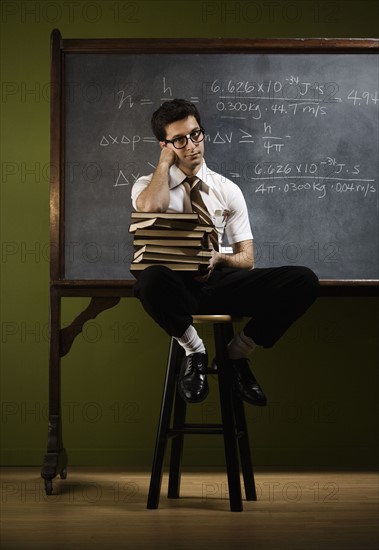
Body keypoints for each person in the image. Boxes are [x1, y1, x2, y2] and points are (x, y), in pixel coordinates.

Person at [131, 99, 319, 406]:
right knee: (150, 280)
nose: (192, 145)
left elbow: (247, 258)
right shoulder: (147, 185)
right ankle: (195, 351)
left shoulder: (227, 189)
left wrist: (221, 257)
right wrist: (164, 164)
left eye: (196, 134)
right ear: (164, 145)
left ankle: (236, 354)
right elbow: (152, 207)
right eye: (179, 140)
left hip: (217, 281)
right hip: (176, 288)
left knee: (303, 281)